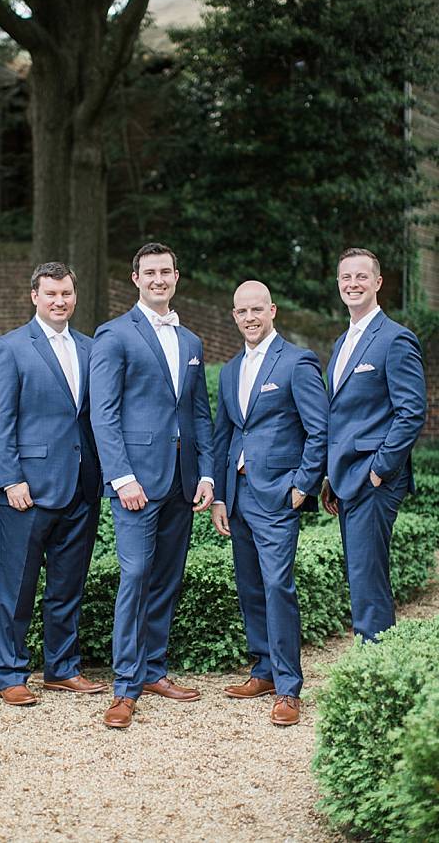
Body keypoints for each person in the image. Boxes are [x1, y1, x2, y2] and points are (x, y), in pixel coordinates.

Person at [90, 243, 214, 729]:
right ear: (135, 278)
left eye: (166, 272)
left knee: (165, 579)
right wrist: (122, 478)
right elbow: (104, 415)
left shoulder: (192, 342)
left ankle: (153, 670)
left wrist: (205, 473)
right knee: (136, 576)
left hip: (182, 482)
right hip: (136, 483)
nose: (159, 279)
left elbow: (198, 412)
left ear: (176, 277)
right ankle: (124, 687)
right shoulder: (114, 335)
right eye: (150, 273)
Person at [0, 262, 106, 707]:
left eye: (67, 293)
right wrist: (11, 478)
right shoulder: (11, 347)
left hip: (82, 485)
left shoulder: (92, 349)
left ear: (75, 296)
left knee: (67, 585)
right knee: (16, 586)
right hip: (28, 490)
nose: (60, 301)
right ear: (34, 296)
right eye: (51, 293)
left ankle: (62, 668)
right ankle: (10, 671)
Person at [211, 281, 328, 726]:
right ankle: (262, 669)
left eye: (256, 309)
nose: (249, 318)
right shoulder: (230, 369)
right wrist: (221, 495)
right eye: (241, 311)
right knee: (250, 587)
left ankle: (288, 687)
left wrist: (303, 485)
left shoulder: (297, 361)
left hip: (279, 495)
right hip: (238, 497)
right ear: (235, 316)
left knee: (278, 586)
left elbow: (320, 429)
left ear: (272, 310)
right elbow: (225, 434)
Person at [322, 248, 426, 641]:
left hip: (375, 478)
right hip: (347, 477)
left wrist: (380, 470)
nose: (353, 284)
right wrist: (332, 475)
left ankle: (375, 665)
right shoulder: (341, 343)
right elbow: (341, 417)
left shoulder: (395, 339)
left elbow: (412, 412)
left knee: (367, 577)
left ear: (378, 283)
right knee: (361, 573)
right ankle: (374, 659)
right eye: (346, 277)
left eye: (361, 277)